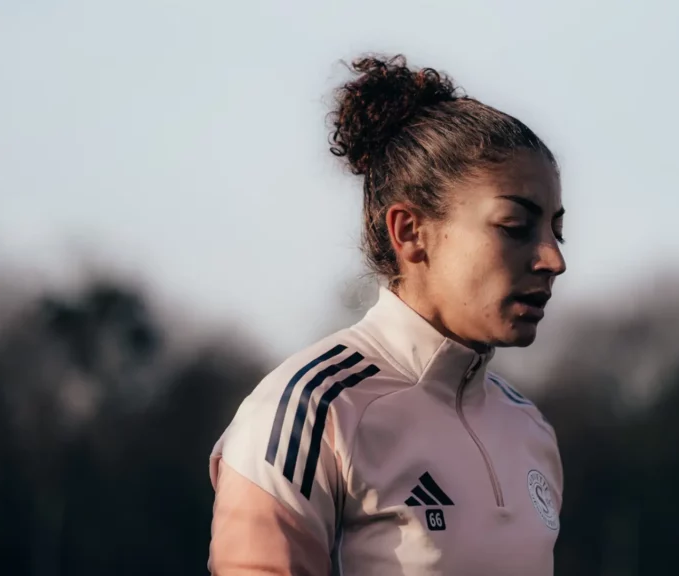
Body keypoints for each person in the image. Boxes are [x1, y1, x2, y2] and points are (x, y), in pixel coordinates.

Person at [207, 54, 567, 575]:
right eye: (515, 226)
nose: (553, 259)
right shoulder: (310, 411)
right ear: (410, 232)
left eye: (558, 230)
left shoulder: (530, 429)